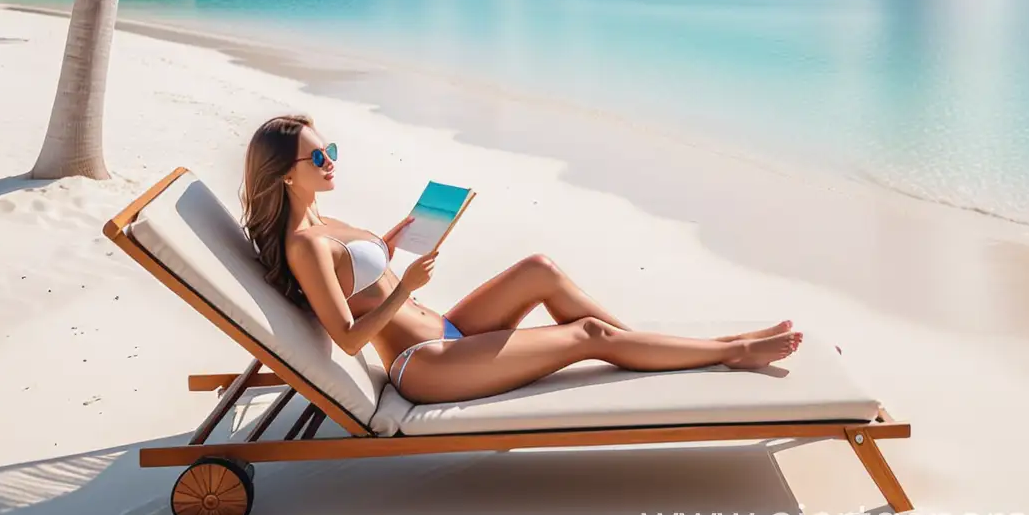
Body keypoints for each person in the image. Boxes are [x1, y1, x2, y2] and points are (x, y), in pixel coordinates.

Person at [240, 114, 802, 404]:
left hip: (448, 330)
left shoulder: (324, 221)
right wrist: (406, 287)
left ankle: (652, 353)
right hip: (424, 364)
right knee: (587, 336)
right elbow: (348, 339)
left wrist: (387, 247)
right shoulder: (304, 245)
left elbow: (359, 278)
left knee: (540, 268)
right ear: (287, 173)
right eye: (318, 156)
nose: (331, 160)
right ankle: (730, 351)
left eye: (331, 149)